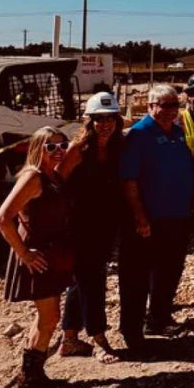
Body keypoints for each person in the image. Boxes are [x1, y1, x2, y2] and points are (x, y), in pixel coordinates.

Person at [118, 84, 194, 353]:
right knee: (138, 277)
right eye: (162, 105)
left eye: (173, 105)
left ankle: (159, 318)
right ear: (150, 106)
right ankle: (132, 332)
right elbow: (129, 180)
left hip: (176, 216)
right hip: (149, 218)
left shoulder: (177, 132)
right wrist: (140, 216)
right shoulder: (140, 135)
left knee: (170, 270)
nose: (168, 111)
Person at [0, 127, 75, 388]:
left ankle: (33, 375)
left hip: (51, 255)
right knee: (50, 318)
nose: (58, 151)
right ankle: (30, 381)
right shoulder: (33, 177)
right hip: (39, 259)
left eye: (62, 145)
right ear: (37, 147)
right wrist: (24, 253)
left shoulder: (52, 176)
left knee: (45, 318)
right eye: (50, 146)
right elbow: (3, 218)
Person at [59, 93, 124, 363]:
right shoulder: (79, 150)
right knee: (92, 280)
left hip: (105, 223)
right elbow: (58, 182)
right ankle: (99, 338)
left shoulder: (117, 146)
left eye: (110, 118)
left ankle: (69, 339)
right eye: (99, 118)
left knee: (84, 279)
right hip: (81, 224)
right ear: (90, 121)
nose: (105, 123)